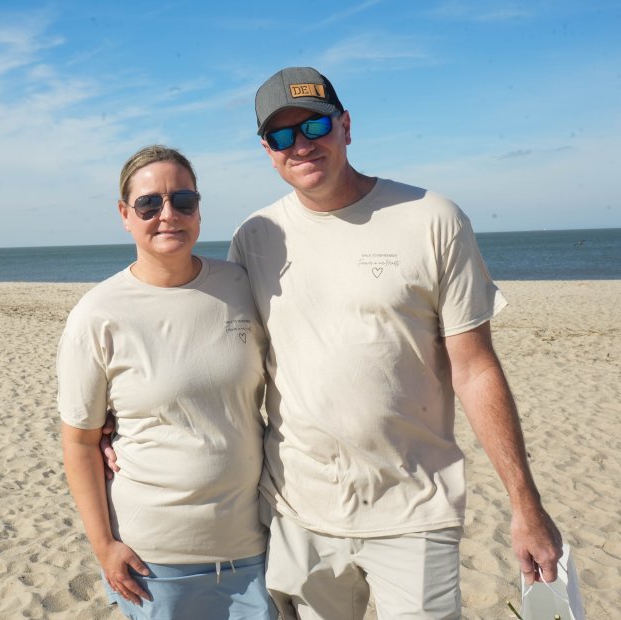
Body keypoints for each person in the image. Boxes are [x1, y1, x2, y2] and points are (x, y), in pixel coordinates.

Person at [225, 67, 563, 619]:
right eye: (282, 137)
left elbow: (475, 369)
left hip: (415, 510)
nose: (302, 145)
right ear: (267, 150)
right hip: (297, 513)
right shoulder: (254, 237)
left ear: (346, 125)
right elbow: (233, 364)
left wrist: (526, 504)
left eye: (315, 125)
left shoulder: (433, 218)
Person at [57, 145, 276, 619]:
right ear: (125, 214)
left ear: (199, 210)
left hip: (257, 545)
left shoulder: (242, 287)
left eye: (183, 201)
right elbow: (78, 442)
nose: (167, 215)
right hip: (155, 561)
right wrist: (103, 546)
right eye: (149, 204)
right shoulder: (97, 315)